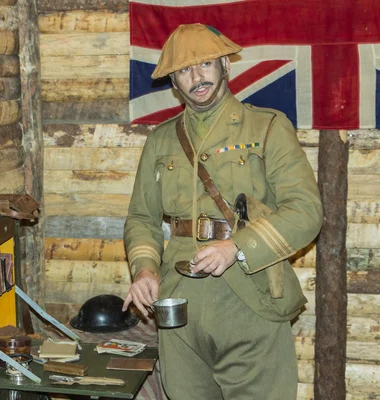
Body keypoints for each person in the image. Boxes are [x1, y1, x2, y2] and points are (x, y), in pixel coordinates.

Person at [122, 24, 323, 399]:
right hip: (179, 309)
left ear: (225, 66)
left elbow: (306, 211)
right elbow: (141, 219)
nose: (197, 76)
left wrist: (236, 247)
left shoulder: (267, 127)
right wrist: (145, 270)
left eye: (205, 64)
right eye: (184, 70)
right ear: (174, 83)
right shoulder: (161, 140)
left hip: (249, 297)